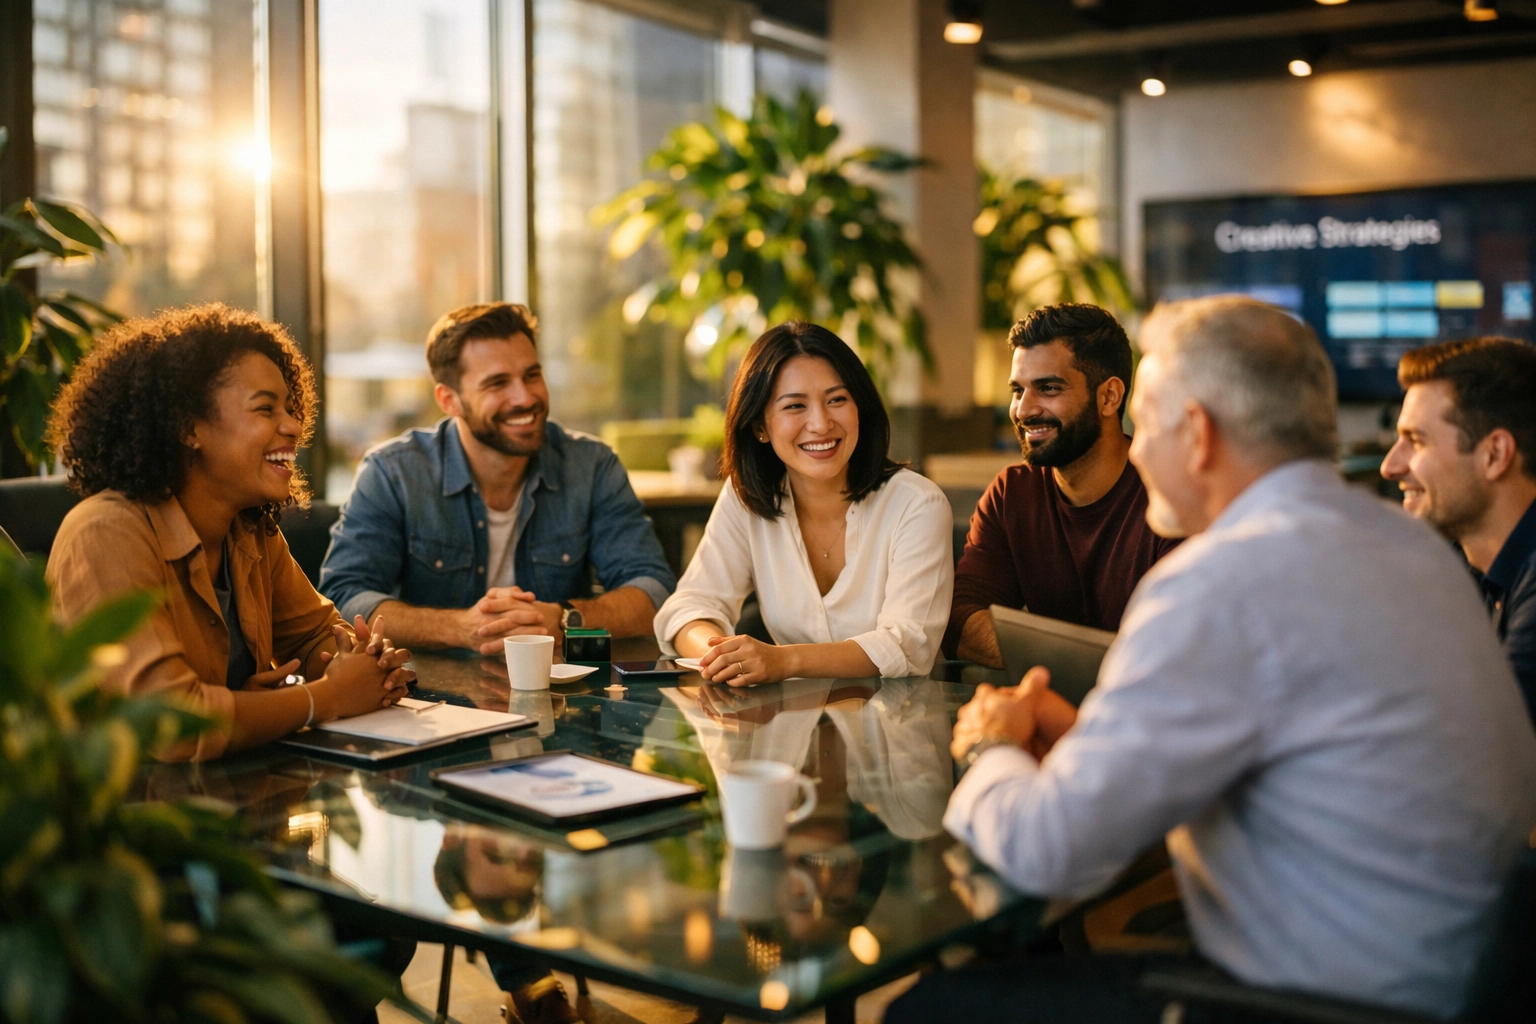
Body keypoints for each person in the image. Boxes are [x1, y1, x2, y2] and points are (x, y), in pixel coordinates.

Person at [890, 297, 1536, 1023]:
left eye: (1150, 424)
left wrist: (990, 745)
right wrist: (1098, 745)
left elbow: (1046, 852)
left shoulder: (1219, 582)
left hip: (1321, 1002)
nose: (1133, 449)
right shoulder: (1411, 546)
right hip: (1455, 979)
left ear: (1196, 434)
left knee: (931, 1009)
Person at [46, 304, 415, 762]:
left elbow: (317, 636)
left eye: (289, 407)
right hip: (133, 817)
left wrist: (364, 662)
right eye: (265, 409)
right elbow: (169, 724)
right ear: (188, 428)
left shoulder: (248, 527)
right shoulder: (105, 533)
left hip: (229, 798)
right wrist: (326, 699)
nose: (294, 426)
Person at [319, 302, 676, 655]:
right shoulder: (392, 473)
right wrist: (460, 629)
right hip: (431, 703)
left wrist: (565, 618)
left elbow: (654, 591)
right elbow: (343, 597)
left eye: (532, 375)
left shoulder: (592, 466)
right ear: (450, 400)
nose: (525, 397)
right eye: (498, 383)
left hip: (563, 697)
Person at [654, 321, 953, 684]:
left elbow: (908, 645)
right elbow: (687, 608)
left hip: (900, 729)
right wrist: (724, 657)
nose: (821, 423)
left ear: (861, 407)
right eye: (795, 406)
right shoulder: (746, 495)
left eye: (837, 400)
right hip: (793, 730)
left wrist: (782, 661)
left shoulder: (917, 504)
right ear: (760, 427)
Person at [946, 304, 1178, 668]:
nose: (1023, 410)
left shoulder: (1171, 494)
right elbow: (960, 618)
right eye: (1017, 390)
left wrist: (1039, 657)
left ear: (1109, 397)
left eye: (1048, 388)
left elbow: (1176, 649)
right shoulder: (1012, 494)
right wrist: (1066, 663)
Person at [1381, 337, 1536, 724]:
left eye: (1416, 441)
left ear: (1495, 455)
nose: (1390, 466)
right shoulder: (1468, 574)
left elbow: (1475, 737)